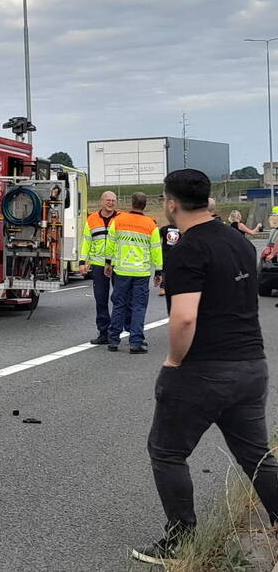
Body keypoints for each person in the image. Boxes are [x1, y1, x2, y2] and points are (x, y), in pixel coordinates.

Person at [131, 169, 278, 565]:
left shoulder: (188, 248)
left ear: (171, 203)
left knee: (166, 452)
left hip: (203, 369)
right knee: (256, 456)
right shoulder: (238, 241)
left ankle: (180, 542)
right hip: (251, 365)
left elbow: (184, 317)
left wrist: (174, 361)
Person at [104, 192, 162, 354]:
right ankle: (136, 342)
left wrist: (108, 263)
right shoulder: (151, 225)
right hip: (141, 273)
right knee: (138, 307)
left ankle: (113, 340)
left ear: (132, 203)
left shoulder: (119, 220)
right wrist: (158, 271)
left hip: (122, 271)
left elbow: (110, 243)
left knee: (119, 304)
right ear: (145, 205)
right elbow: (156, 250)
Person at [78, 191, 120, 344]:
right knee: (101, 299)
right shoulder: (92, 219)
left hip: (117, 264)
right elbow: (86, 241)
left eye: (113, 200)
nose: (110, 203)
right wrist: (82, 261)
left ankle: (115, 331)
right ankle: (103, 332)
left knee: (119, 299)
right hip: (98, 264)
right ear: (101, 201)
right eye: (108, 200)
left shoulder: (121, 218)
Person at [158, 221, 181, 298]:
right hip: (177, 253)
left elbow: (157, 238)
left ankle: (162, 288)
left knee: (164, 271)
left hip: (165, 253)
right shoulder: (181, 229)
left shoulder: (164, 229)